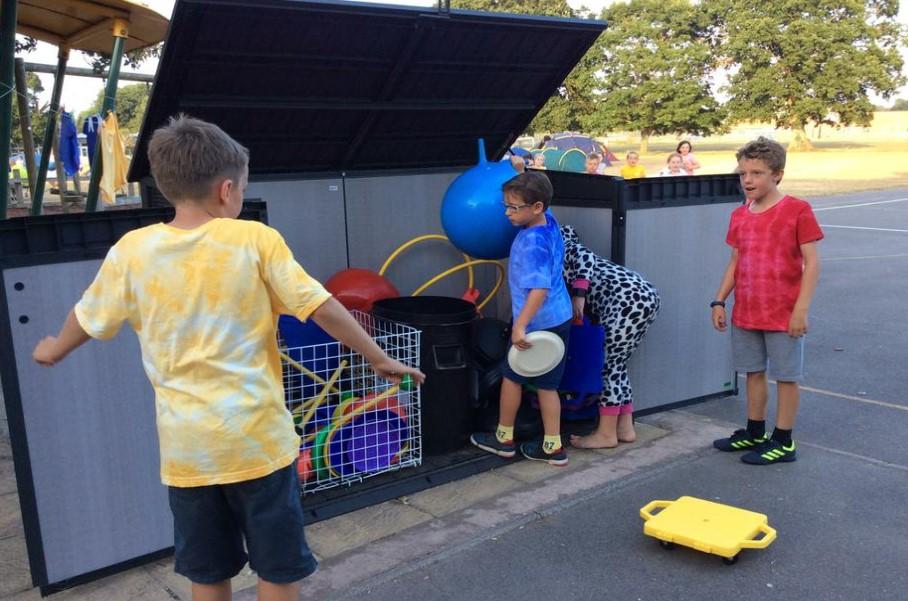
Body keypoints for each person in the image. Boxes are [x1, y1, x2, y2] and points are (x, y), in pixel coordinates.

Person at [31, 116, 425, 601]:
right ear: (226, 191)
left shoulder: (132, 251)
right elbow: (321, 306)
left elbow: (87, 316)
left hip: (188, 454)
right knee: (278, 570)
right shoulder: (254, 240)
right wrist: (379, 358)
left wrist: (54, 347)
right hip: (259, 445)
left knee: (208, 573)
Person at [711, 136, 822, 465]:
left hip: (783, 313)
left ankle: (784, 441)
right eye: (743, 173)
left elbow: (812, 263)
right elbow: (735, 261)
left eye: (757, 173)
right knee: (753, 372)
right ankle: (755, 431)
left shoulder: (797, 210)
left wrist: (801, 309)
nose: (747, 180)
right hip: (747, 311)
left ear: (777, 175)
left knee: (786, 377)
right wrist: (719, 301)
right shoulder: (739, 215)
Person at [470, 171, 573, 466]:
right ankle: (553, 446)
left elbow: (539, 289)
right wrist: (517, 168)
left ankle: (504, 439)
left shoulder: (532, 243)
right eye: (506, 205)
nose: (507, 213)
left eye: (514, 207)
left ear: (536, 207)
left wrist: (520, 325)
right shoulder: (548, 220)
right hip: (559, 318)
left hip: (536, 325)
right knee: (548, 385)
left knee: (512, 377)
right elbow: (536, 189)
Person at [560, 225, 660, 448]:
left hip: (626, 301)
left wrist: (579, 295)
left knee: (606, 367)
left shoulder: (565, 248)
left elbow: (584, 257)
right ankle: (625, 427)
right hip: (644, 296)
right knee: (617, 364)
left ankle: (606, 434)